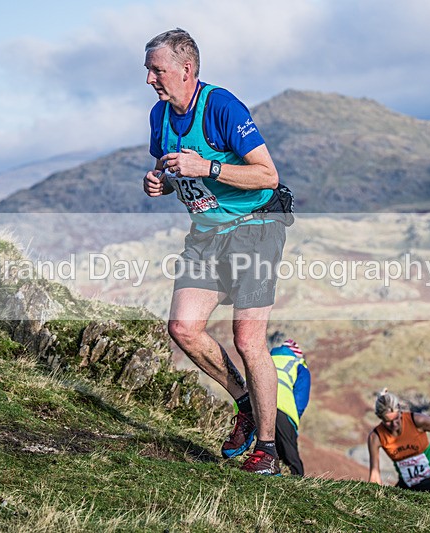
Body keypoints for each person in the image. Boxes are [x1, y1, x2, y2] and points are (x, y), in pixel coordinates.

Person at [143, 28, 287, 474]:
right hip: (207, 234)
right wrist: (159, 183)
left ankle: (267, 449)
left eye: (157, 70)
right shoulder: (159, 116)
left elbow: (267, 175)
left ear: (186, 70)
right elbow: (171, 171)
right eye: (148, 70)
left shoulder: (221, 106)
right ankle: (244, 402)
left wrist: (208, 166)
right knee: (183, 328)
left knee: (248, 339)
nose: (150, 79)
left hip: (256, 227)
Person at [367, 389, 430, 497]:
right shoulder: (375, 437)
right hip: (408, 485)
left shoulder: (416, 420)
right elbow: (374, 473)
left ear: (400, 411)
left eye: (396, 419)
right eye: (388, 421)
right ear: (380, 418)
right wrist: (373, 498)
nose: (394, 424)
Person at [269, 339, 310, 476]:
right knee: (290, 454)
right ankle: (299, 483)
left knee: (264, 447)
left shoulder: (265, 358)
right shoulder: (298, 365)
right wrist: (293, 421)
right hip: (281, 407)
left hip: (254, 404)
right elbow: (301, 398)